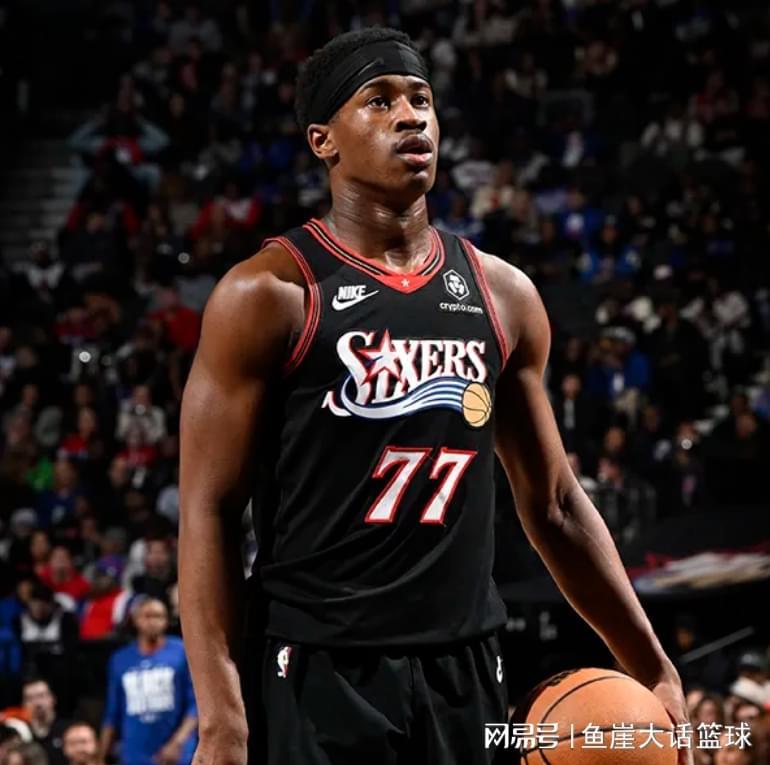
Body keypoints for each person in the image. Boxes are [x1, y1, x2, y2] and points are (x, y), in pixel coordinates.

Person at [178, 27, 691, 765]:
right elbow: (208, 510)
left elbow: (553, 502)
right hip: (319, 665)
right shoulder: (269, 293)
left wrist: (651, 663)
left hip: (467, 663)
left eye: (421, 99)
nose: (410, 116)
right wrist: (221, 716)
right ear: (323, 140)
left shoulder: (503, 295)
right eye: (379, 100)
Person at [100, 598, 197, 765]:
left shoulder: (182, 652)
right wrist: (101, 755)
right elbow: (112, 711)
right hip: (134, 754)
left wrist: (177, 743)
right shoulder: (120, 659)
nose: (153, 622)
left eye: (159, 616)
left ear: (166, 621)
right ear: (136, 620)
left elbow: (195, 706)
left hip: (176, 753)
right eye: (147, 616)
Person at [21, 679, 70, 765]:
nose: (37, 703)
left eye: (41, 696)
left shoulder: (69, 730)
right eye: (30, 698)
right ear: (24, 704)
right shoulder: (21, 734)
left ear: (53, 698)